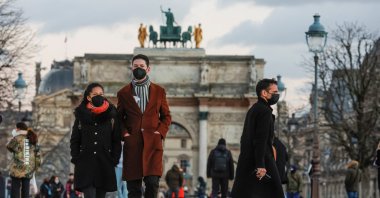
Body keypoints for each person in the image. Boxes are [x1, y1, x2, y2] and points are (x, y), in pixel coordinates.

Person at [117, 54, 172, 198]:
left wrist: (159, 133)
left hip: (153, 145)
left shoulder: (159, 91)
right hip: (132, 145)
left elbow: (166, 116)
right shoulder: (123, 93)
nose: (138, 69)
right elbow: (118, 118)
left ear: (148, 69)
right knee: (133, 189)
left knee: (153, 184)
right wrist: (125, 134)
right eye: (135, 66)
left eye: (141, 66)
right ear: (131, 68)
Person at [231, 78, 284, 198]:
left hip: (249, 159)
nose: (277, 95)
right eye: (274, 92)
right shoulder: (264, 111)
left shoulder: (254, 109)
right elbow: (261, 139)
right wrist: (261, 164)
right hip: (263, 158)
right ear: (264, 93)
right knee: (275, 193)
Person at [70, 82, 122, 198]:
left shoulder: (112, 115)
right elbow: (75, 140)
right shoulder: (80, 116)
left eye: (101, 94)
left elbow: (116, 140)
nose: (99, 96)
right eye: (95, 94)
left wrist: (114, 159)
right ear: (88, 97)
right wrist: (76, 158)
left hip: (104, 164)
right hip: (85, 164)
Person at [7, 122, 41, 198]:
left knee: (15, 191)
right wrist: (36, 167)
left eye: (15, 128)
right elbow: (38, 154)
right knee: (26, 191)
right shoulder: (33, 138)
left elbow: (9, 147)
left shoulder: (17, 138)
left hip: (17, 168)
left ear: (18, 129)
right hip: (28, 168)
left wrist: (14, 136)